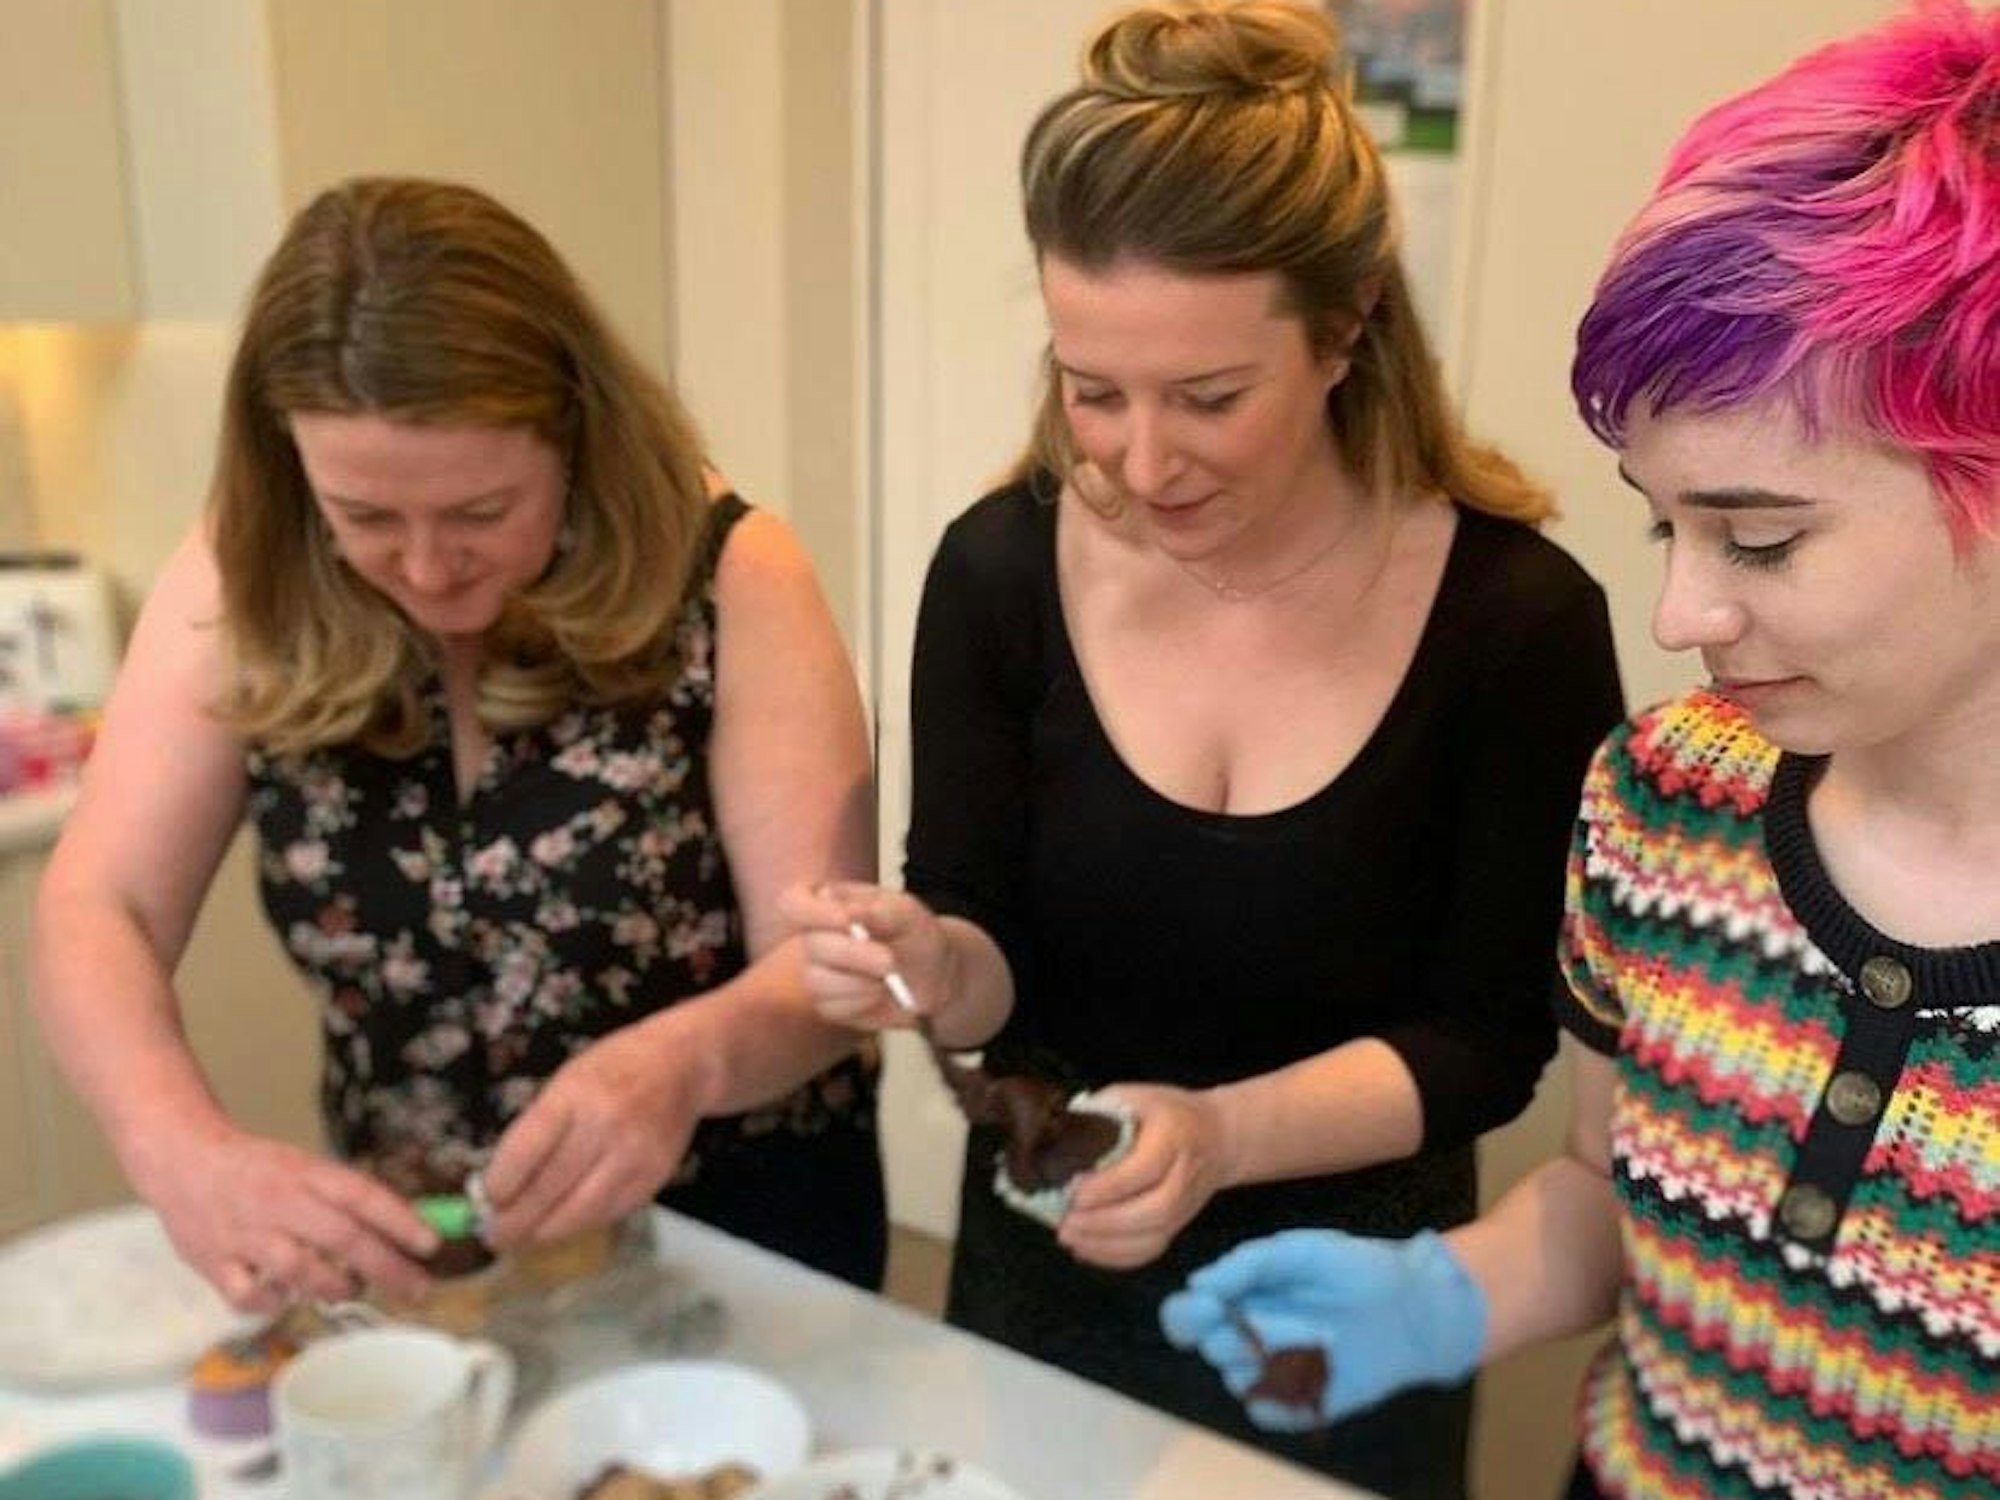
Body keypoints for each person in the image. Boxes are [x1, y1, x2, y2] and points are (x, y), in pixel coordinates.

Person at [781, 3, 1622, 1494]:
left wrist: (1222, 1136)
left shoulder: (1518, 622)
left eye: (1209, 398)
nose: (1140, 462)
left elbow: (1489, 1043)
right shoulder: (999, 571)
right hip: (1051, 1248)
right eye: (1090, 389)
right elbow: (983, 944)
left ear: (1351, 323)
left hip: (1345, 1295)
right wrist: (923, 952)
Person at [1161, 6, 1999, 1498]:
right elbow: (1610, 1199)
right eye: (1662, 522)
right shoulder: (1667, 800)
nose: (1682, 611)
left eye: (1760, 536)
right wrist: (1451, 1292)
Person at [31, 176, 888, 1312]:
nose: (429, 569)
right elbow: (102, 904)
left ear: (576, 439)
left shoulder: (730, 575)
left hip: (736, 1240)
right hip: (419, 1244)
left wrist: (684, 1061)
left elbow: (828, 969)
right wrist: (177, 1147)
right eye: (368, 518)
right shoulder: (249, 569)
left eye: (482, 513)